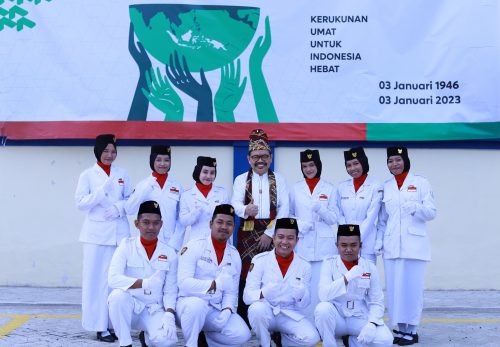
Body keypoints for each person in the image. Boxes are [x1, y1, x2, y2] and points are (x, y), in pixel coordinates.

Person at [75, 134, 132, 342]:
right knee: (96, 280)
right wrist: (100, 193)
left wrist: (119, 208)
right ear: (98, 151)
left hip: (118, 233)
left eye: (113, 151)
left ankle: (113, 324)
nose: (110, 155)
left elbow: (130, 200)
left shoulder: (122, 173)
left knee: (115, 281)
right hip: (96, 236)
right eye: (106, 150)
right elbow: (80, 203)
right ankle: (99, 326)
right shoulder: (88, 175)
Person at [376, 147, 436, 345]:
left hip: (414, 246)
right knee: (395, 290)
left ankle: (412, 329)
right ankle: (400, 329)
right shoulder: (387, 186)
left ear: (405, 160)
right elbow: (383, 219)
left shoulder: (421, 182)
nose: (394, 164)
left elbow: (431, 212)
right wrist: (380, 240)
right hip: (392, 245)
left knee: (412, 289)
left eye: (398, 160)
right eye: (390, 160)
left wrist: (416, 208)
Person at [231, 128, 289, 323]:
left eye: (264, 156)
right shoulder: (241, 180)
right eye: (256, 156)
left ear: (270, 157)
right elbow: (234, 204)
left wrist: (270, 234)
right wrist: (246, 209)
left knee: (271, 272)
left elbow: (284, 208)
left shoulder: (279, 179)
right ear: (249, 159)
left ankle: (272, 315)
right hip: (247, 233)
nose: (260, 160)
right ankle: (244, 317)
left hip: (272, 233)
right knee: (245, 273)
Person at [176, 204, 251, 347]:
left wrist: (227, 309)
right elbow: (183, 283)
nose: (224, 227)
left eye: (229, 223)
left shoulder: (234, 255)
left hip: (214, 308)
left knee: (242, 334)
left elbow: (231, 291)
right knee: (196, 306)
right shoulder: (194, 246)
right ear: (211, 224)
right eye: (220, 222)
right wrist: (214, 285)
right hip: (189, 306)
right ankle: (191, 344)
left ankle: (207, 340)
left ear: (233, 228)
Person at [108, 201, 178, 347]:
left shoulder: (170, 253)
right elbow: (113, 279)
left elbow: (171, 289)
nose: (151, 227)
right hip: (131, 307)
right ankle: (125, 343)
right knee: (117, 296)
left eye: (156, 223)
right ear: (136, 223)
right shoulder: (126, 246)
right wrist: (143, 283)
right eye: (146, 222)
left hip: (154, 309)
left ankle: (146, 338)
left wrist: (170, 313)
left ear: (161, 224)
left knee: (168, 341)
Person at [243, 218, 320, 347]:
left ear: (297, 240)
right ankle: (265, 343)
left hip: (289, 314)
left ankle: (282, 341)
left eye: (290, 238)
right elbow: (247, 297)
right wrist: (263, 292)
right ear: (273, 238)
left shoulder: (304, 265)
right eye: (280, 237)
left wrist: (301, 295)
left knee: (312, 338)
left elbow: (305, 304)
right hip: (267, 310)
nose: (285, 242)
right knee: (256, 309)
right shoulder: (259, 260)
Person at [315, 224, 393, 347]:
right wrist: (347, 277)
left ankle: (350, 341)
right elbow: (323, 295)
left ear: (360, 245)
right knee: (322, 309)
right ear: (337, 246)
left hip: (358, 317)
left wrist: (372, 324)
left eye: (353, 245)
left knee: (386, 340)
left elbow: (376, 301)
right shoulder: (329, 263)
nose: (348, 249)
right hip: (337, 318)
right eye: (344, 245)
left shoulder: (369, 267)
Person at [289, 149, 338, 320]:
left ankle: (321, 322)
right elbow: (289, 215)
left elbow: (334, 218)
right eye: (305, 166)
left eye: (312, 165)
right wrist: (300, 225)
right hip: (302, 242)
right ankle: (304, 321)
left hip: (324, 245)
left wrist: (320, 209)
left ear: (318, 165)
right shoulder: (295, 188)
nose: (309, 169)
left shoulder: (330, 188)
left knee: (321, 285)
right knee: (303, 284)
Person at [125, 145, 184, 251]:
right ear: (152, 161)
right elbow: (129, 209)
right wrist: (145, 188)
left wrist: (175, 242)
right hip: (147, 240)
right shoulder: (143, 184)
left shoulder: (178, 187)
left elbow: (181, 219)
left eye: (166, 160)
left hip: (170, 243)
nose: (162, 164)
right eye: (158, 160)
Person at [336, 148, 382, 264]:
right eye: (349, 165)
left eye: (356, 163)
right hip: (345, 245)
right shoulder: (341, 187)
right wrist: (347, 237)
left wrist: (355, 238)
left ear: (363, 163)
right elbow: (339, 214)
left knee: (365, 279)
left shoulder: (376, 186)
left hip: (367, 244)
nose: (352, 168)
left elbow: (371, 217)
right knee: (345, 279)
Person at [179, 156, 229, 243]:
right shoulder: (186, 195)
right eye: (205, 172)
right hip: (196, 241)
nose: (208, 176)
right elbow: (183, 222)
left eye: (212, 173)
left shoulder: (222, 193)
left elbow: (228, 219)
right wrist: (195, 212)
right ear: (198, 172)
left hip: (219, 241)